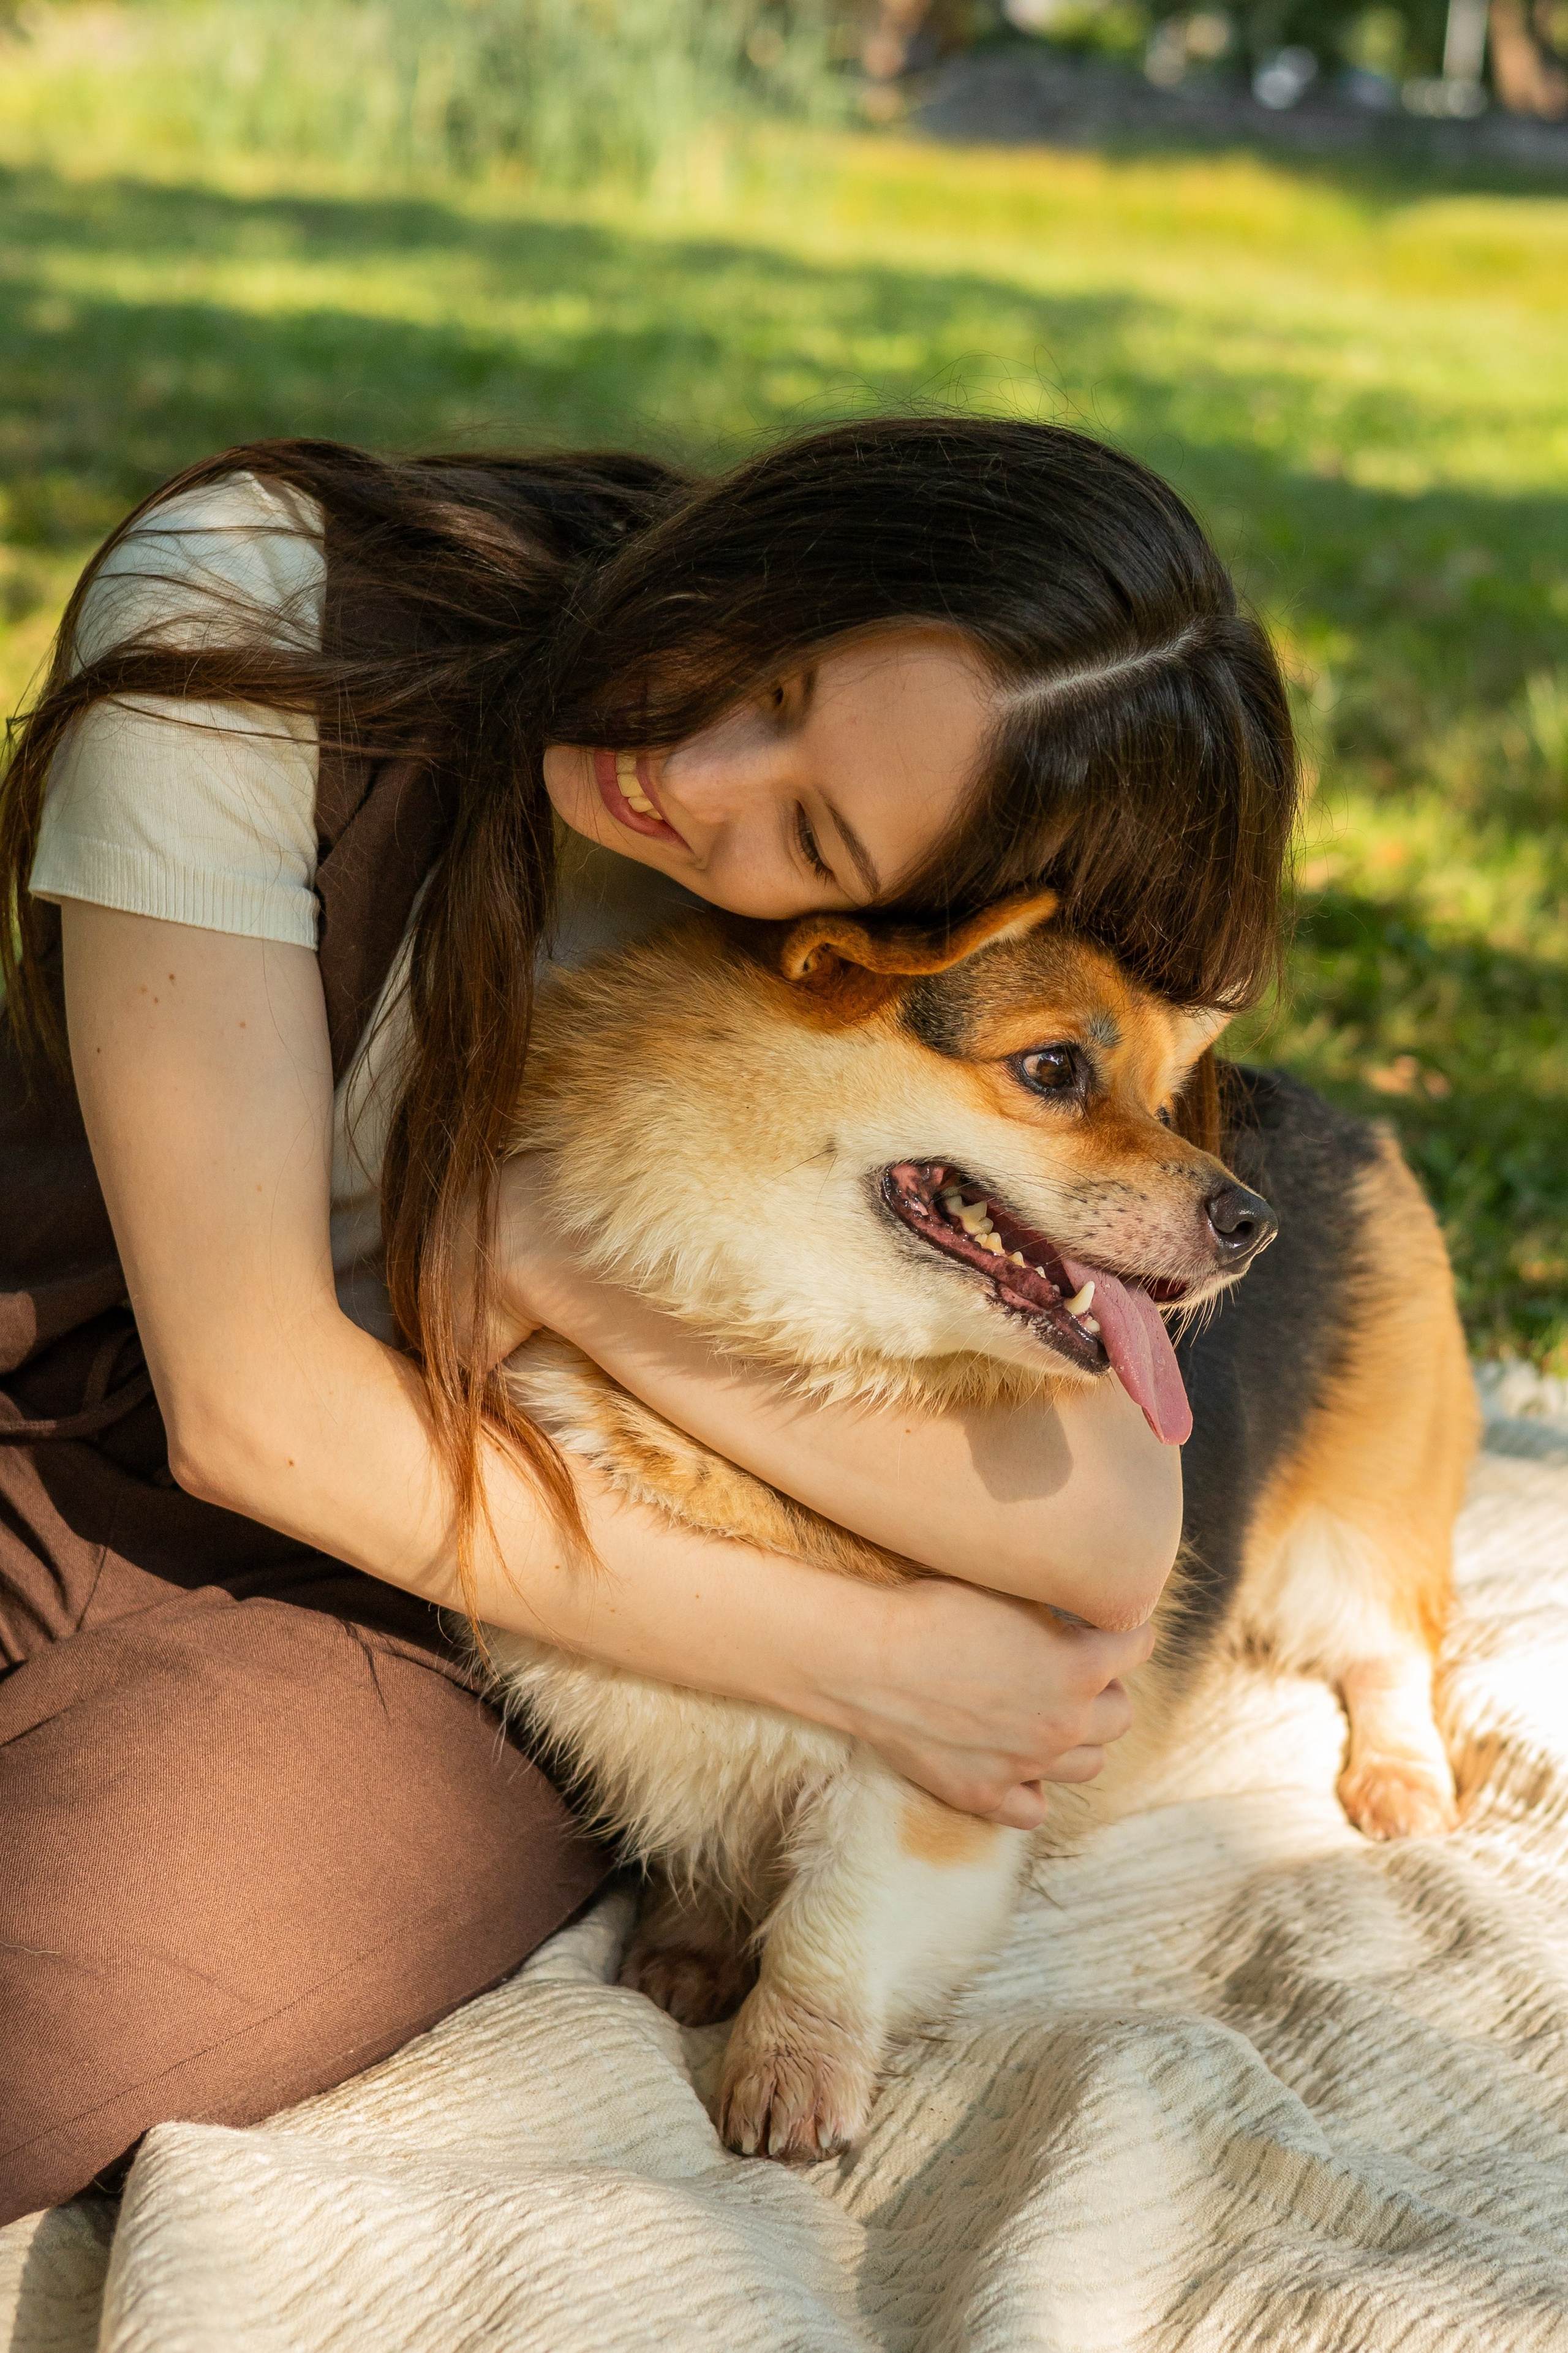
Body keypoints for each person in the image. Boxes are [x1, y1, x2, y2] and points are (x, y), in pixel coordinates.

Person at [0, 418, 1296, 2223]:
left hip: (445, 1570)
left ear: (916, 917)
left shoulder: (856, 997)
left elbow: (1112, 1527)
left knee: (66, 2000)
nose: (691, 773)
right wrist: (876, 1664)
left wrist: (542, 1255)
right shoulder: (260, 607)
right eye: (771, 669)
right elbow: (249, 1404)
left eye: (816, 829)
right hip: (78, 1396)